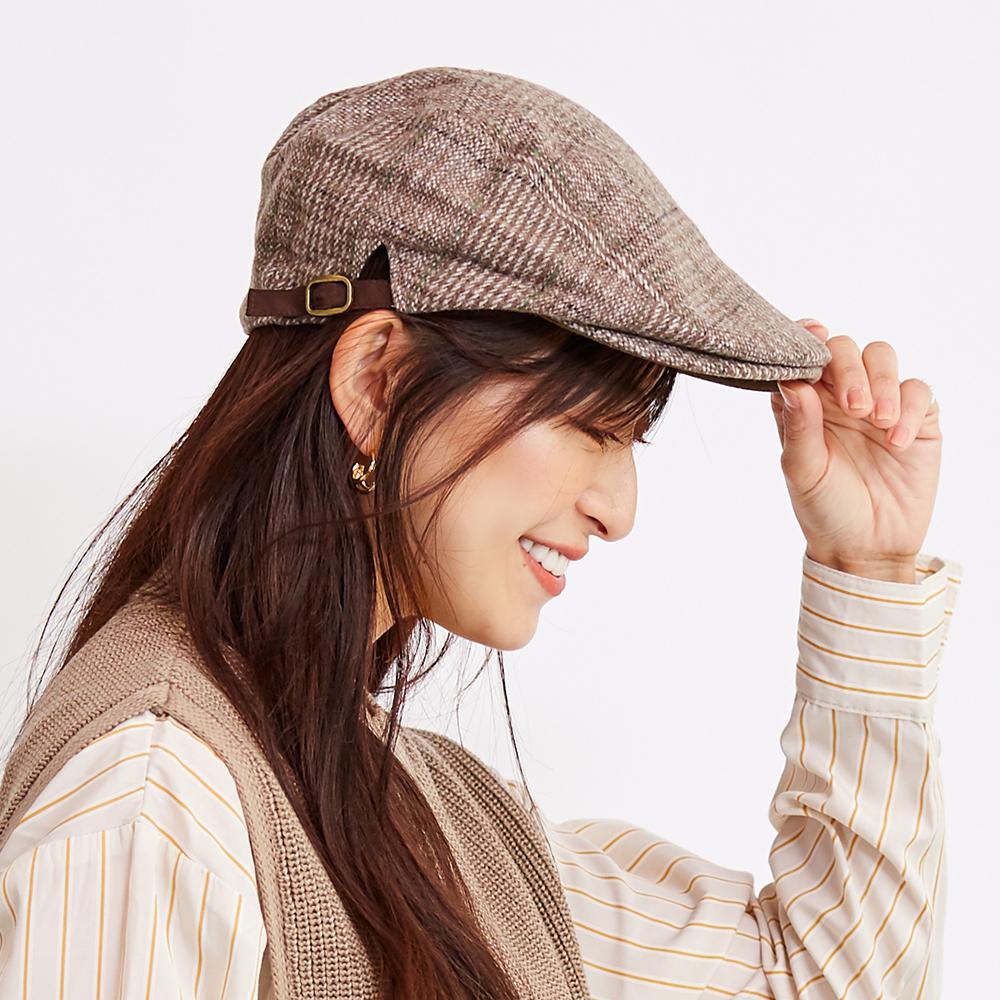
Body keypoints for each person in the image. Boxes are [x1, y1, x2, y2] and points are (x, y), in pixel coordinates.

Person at [0, 67, 962, 999]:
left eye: (630, 438)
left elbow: (824, 978)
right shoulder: (158, 807)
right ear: (377, 381)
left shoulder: (424, 820)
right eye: (589, 426)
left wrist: (865, 567)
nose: (619, 511)